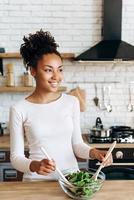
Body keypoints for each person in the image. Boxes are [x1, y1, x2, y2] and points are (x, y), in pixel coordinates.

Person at [9, 29, 113, 181]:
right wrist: (35, 165)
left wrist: (94, 152)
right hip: (36, 183)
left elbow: (77, 145)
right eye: (48, 70)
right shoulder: (19, 109)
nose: (56, 77)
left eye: (60, 70)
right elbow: (16, 158)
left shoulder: (71, 102)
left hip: (72, 181)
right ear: (33, 71)